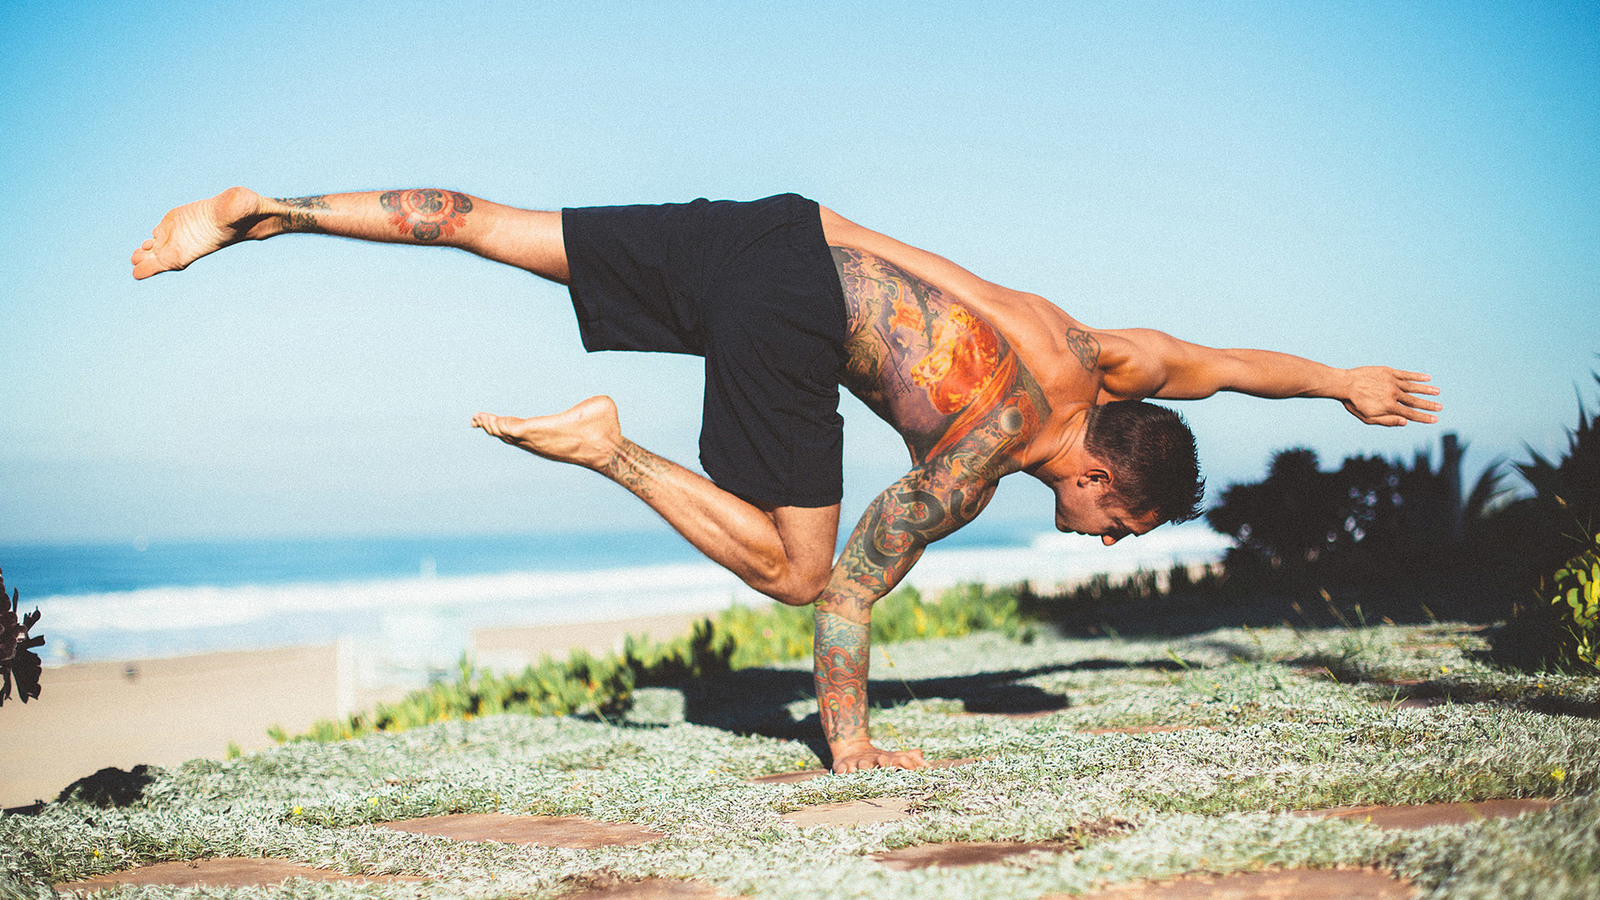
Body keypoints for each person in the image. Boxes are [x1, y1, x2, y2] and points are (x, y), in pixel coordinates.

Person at [132, 187, 1442, 772]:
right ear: (1106, 475)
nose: (1106, 542)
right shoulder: (987, 454)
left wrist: (1338, 381)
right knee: (800, 563)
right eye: (1123, 523)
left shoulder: (1088, 351)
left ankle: (259, 215)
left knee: (490, 227)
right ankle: (613, 445)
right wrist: (852, 743)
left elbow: (1210, 365)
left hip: (782, 224)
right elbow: (851, 592)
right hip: (798, 315)